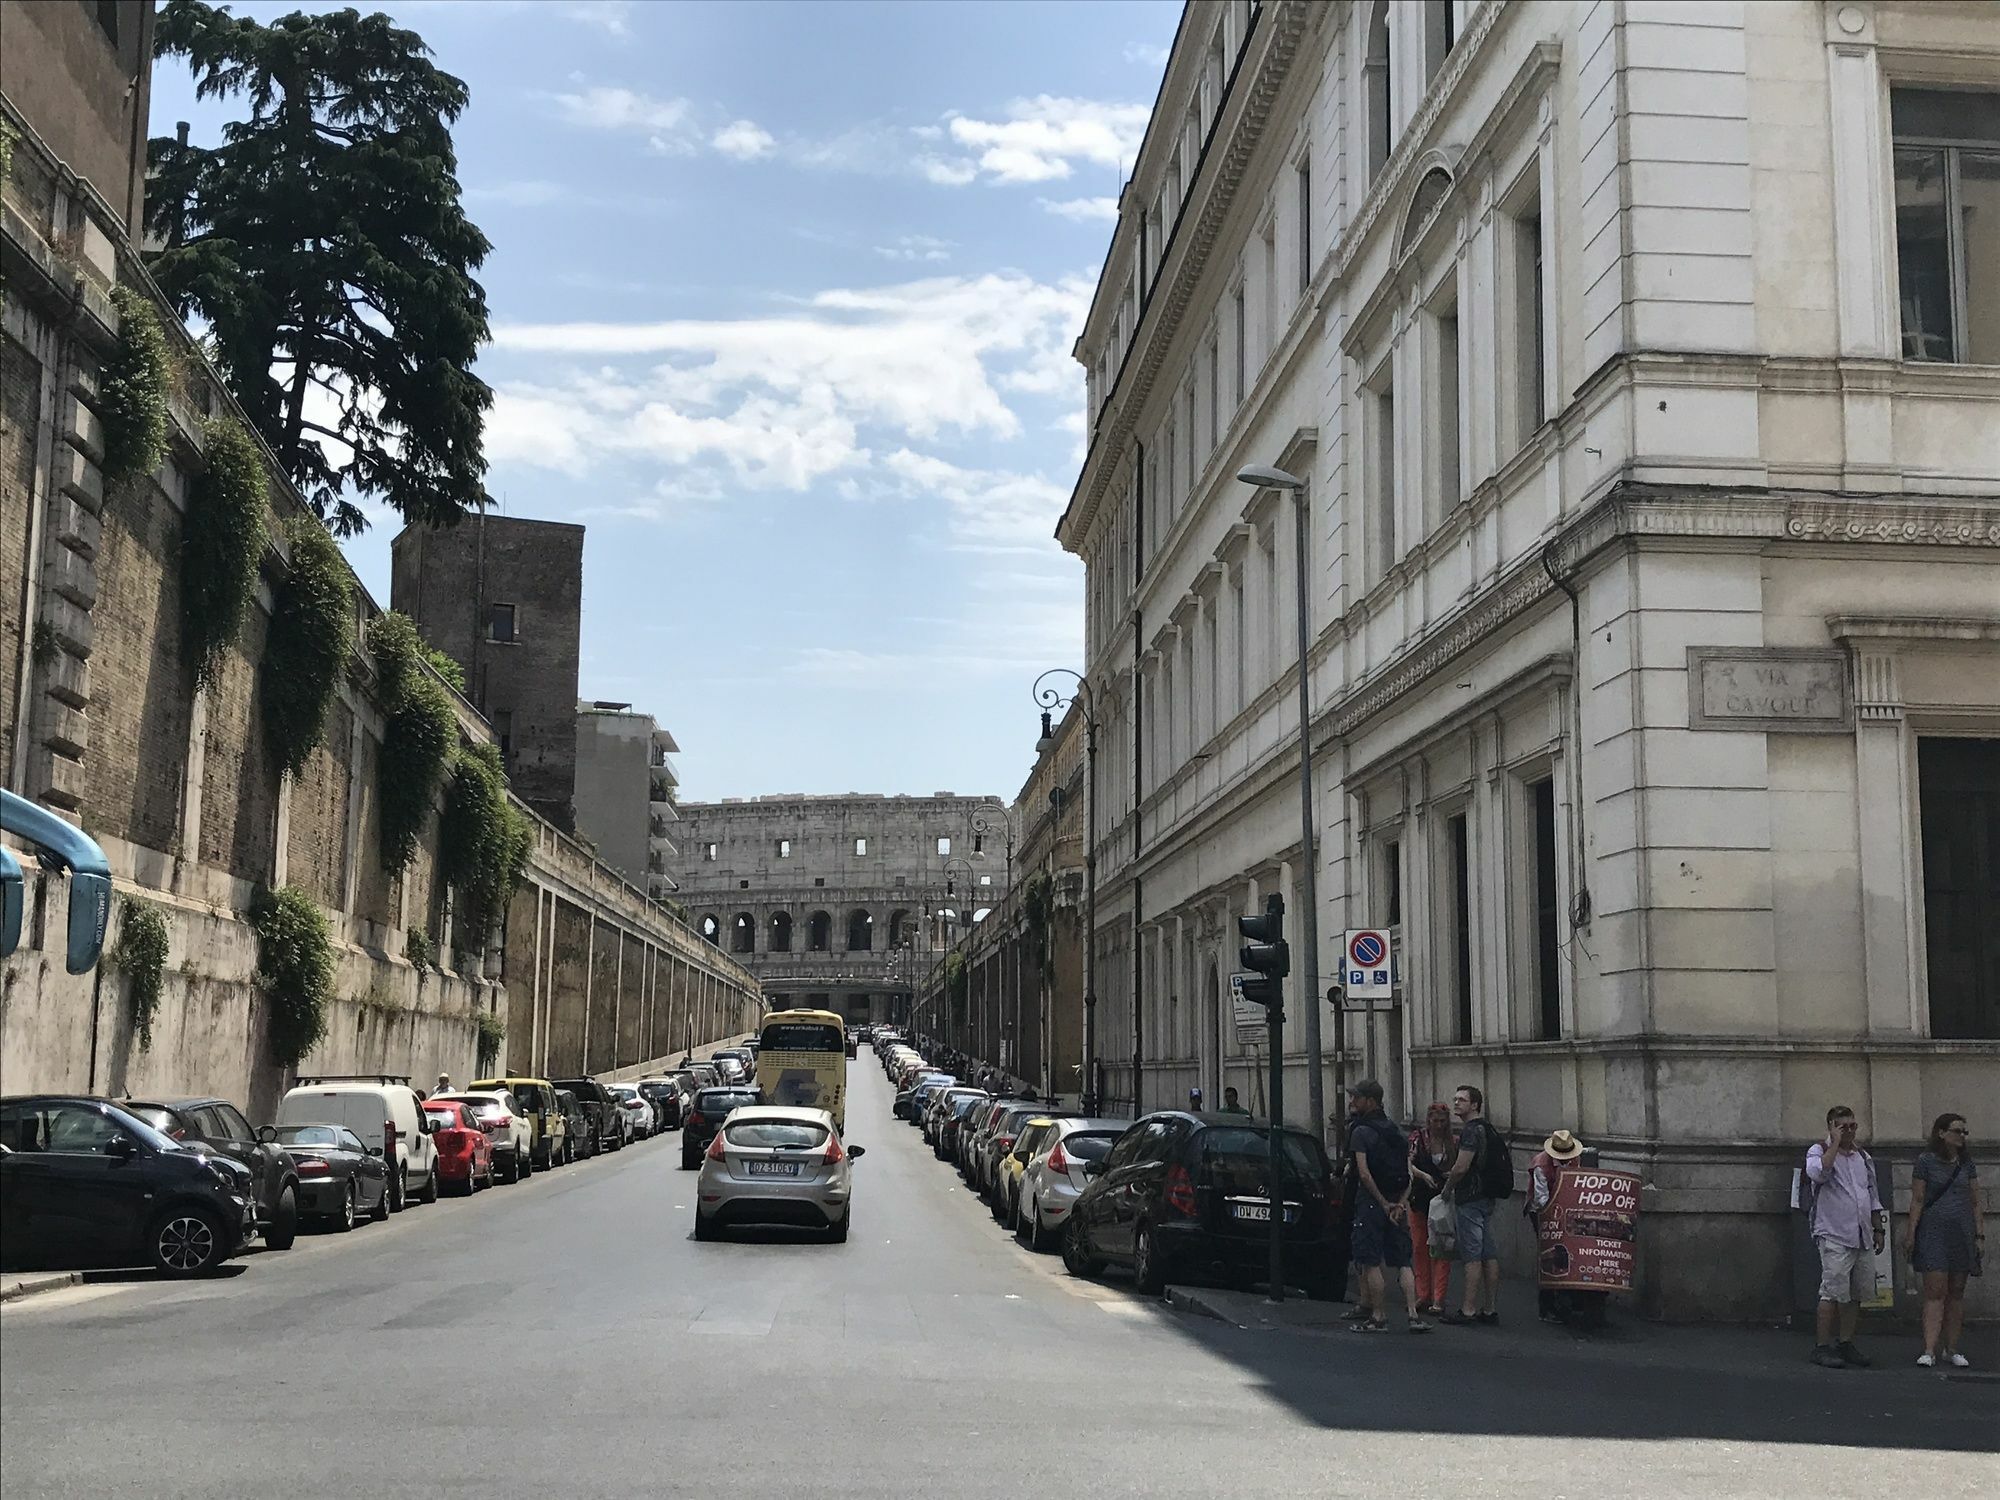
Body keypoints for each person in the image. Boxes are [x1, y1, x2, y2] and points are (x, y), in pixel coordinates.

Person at [1804, 1104, 1886, 1369]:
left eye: (1853, 1126)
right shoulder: (1818, 1151)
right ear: (1831, 1126)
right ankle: (1822, 1346)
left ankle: (1846, 1342)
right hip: (1833, 1232)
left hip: (1860, 1233)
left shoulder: (1863, 1157)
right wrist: (1834, 1143)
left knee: (1855, 1293)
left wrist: (1878, 1228)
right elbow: (1819, 1174)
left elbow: (1871, 1194)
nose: (1850, 1131)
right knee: (1831, 1291)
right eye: (1843, 1127)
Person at [1345, 1080, 1428, 1334]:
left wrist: (1383, 1203)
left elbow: (1364, 1174)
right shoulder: (1395, 1131)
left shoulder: (1360, 1132)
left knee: (1370, 1261)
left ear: (1370, 1101)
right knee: (1403, 1260)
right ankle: (1413, 1315)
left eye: (1357, 1098)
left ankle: (1378, 1316)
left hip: (1372, 1203)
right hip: (1397, 1203)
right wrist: (1400, 1204)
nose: (1352, 1102)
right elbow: (1408, 1172)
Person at [1905, 1112, 1981, 1369]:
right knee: (1935, 1291)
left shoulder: (1966, 1163)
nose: (1961, 1136)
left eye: (1964, 1132)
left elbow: (1975, 1201)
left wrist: (1979, 1233)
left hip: (1961, 1232)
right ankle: (1929, 1348)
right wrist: (1911, 1233)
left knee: (1957, 1291)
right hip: (1933, 1231)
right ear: (1941, 1133)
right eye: (1957, 1131)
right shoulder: (1926, 1161)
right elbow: (1917, 1199)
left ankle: (1952, 1348)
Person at [1528, 1129, 1604, 1327]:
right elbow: (1541, 1199)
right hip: (1543, 1211)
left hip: (1569, 1211)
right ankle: (1547, 1306)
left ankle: (1570, 1300)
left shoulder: (1576, 1160)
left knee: (1573, 1254)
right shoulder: (1541, 1165)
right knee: (1550, 1255)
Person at [1440, 1083, 1502, 1326]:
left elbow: (1462, 1166)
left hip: (1471, 1196)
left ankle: (1467, 1309)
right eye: (1455, 1099)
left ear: (1474, 1104)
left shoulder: (1471, 1131)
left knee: (1472, 1254)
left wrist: (1447, 1189)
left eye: (1462, 1100)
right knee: (1489, 1252)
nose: (1456, 1103)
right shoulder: (1489, 1129)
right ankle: (1490, 1308)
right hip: (1487, 1195)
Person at [1408, 1102, 1455, 1316]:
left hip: (1442, 1200)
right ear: (1428, 1121)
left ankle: (1439, 1297)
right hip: (1419, 1198)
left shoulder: (1453, 1141)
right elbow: (1408, 1163)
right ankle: (1423, 1294)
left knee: (1441, 1247)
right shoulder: (1418, 1138)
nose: (1438, 1125)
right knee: (1420, 1247)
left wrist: (1451, 1175)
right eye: (1435, 1121)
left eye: (1442, 1121)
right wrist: (1423, 1175)